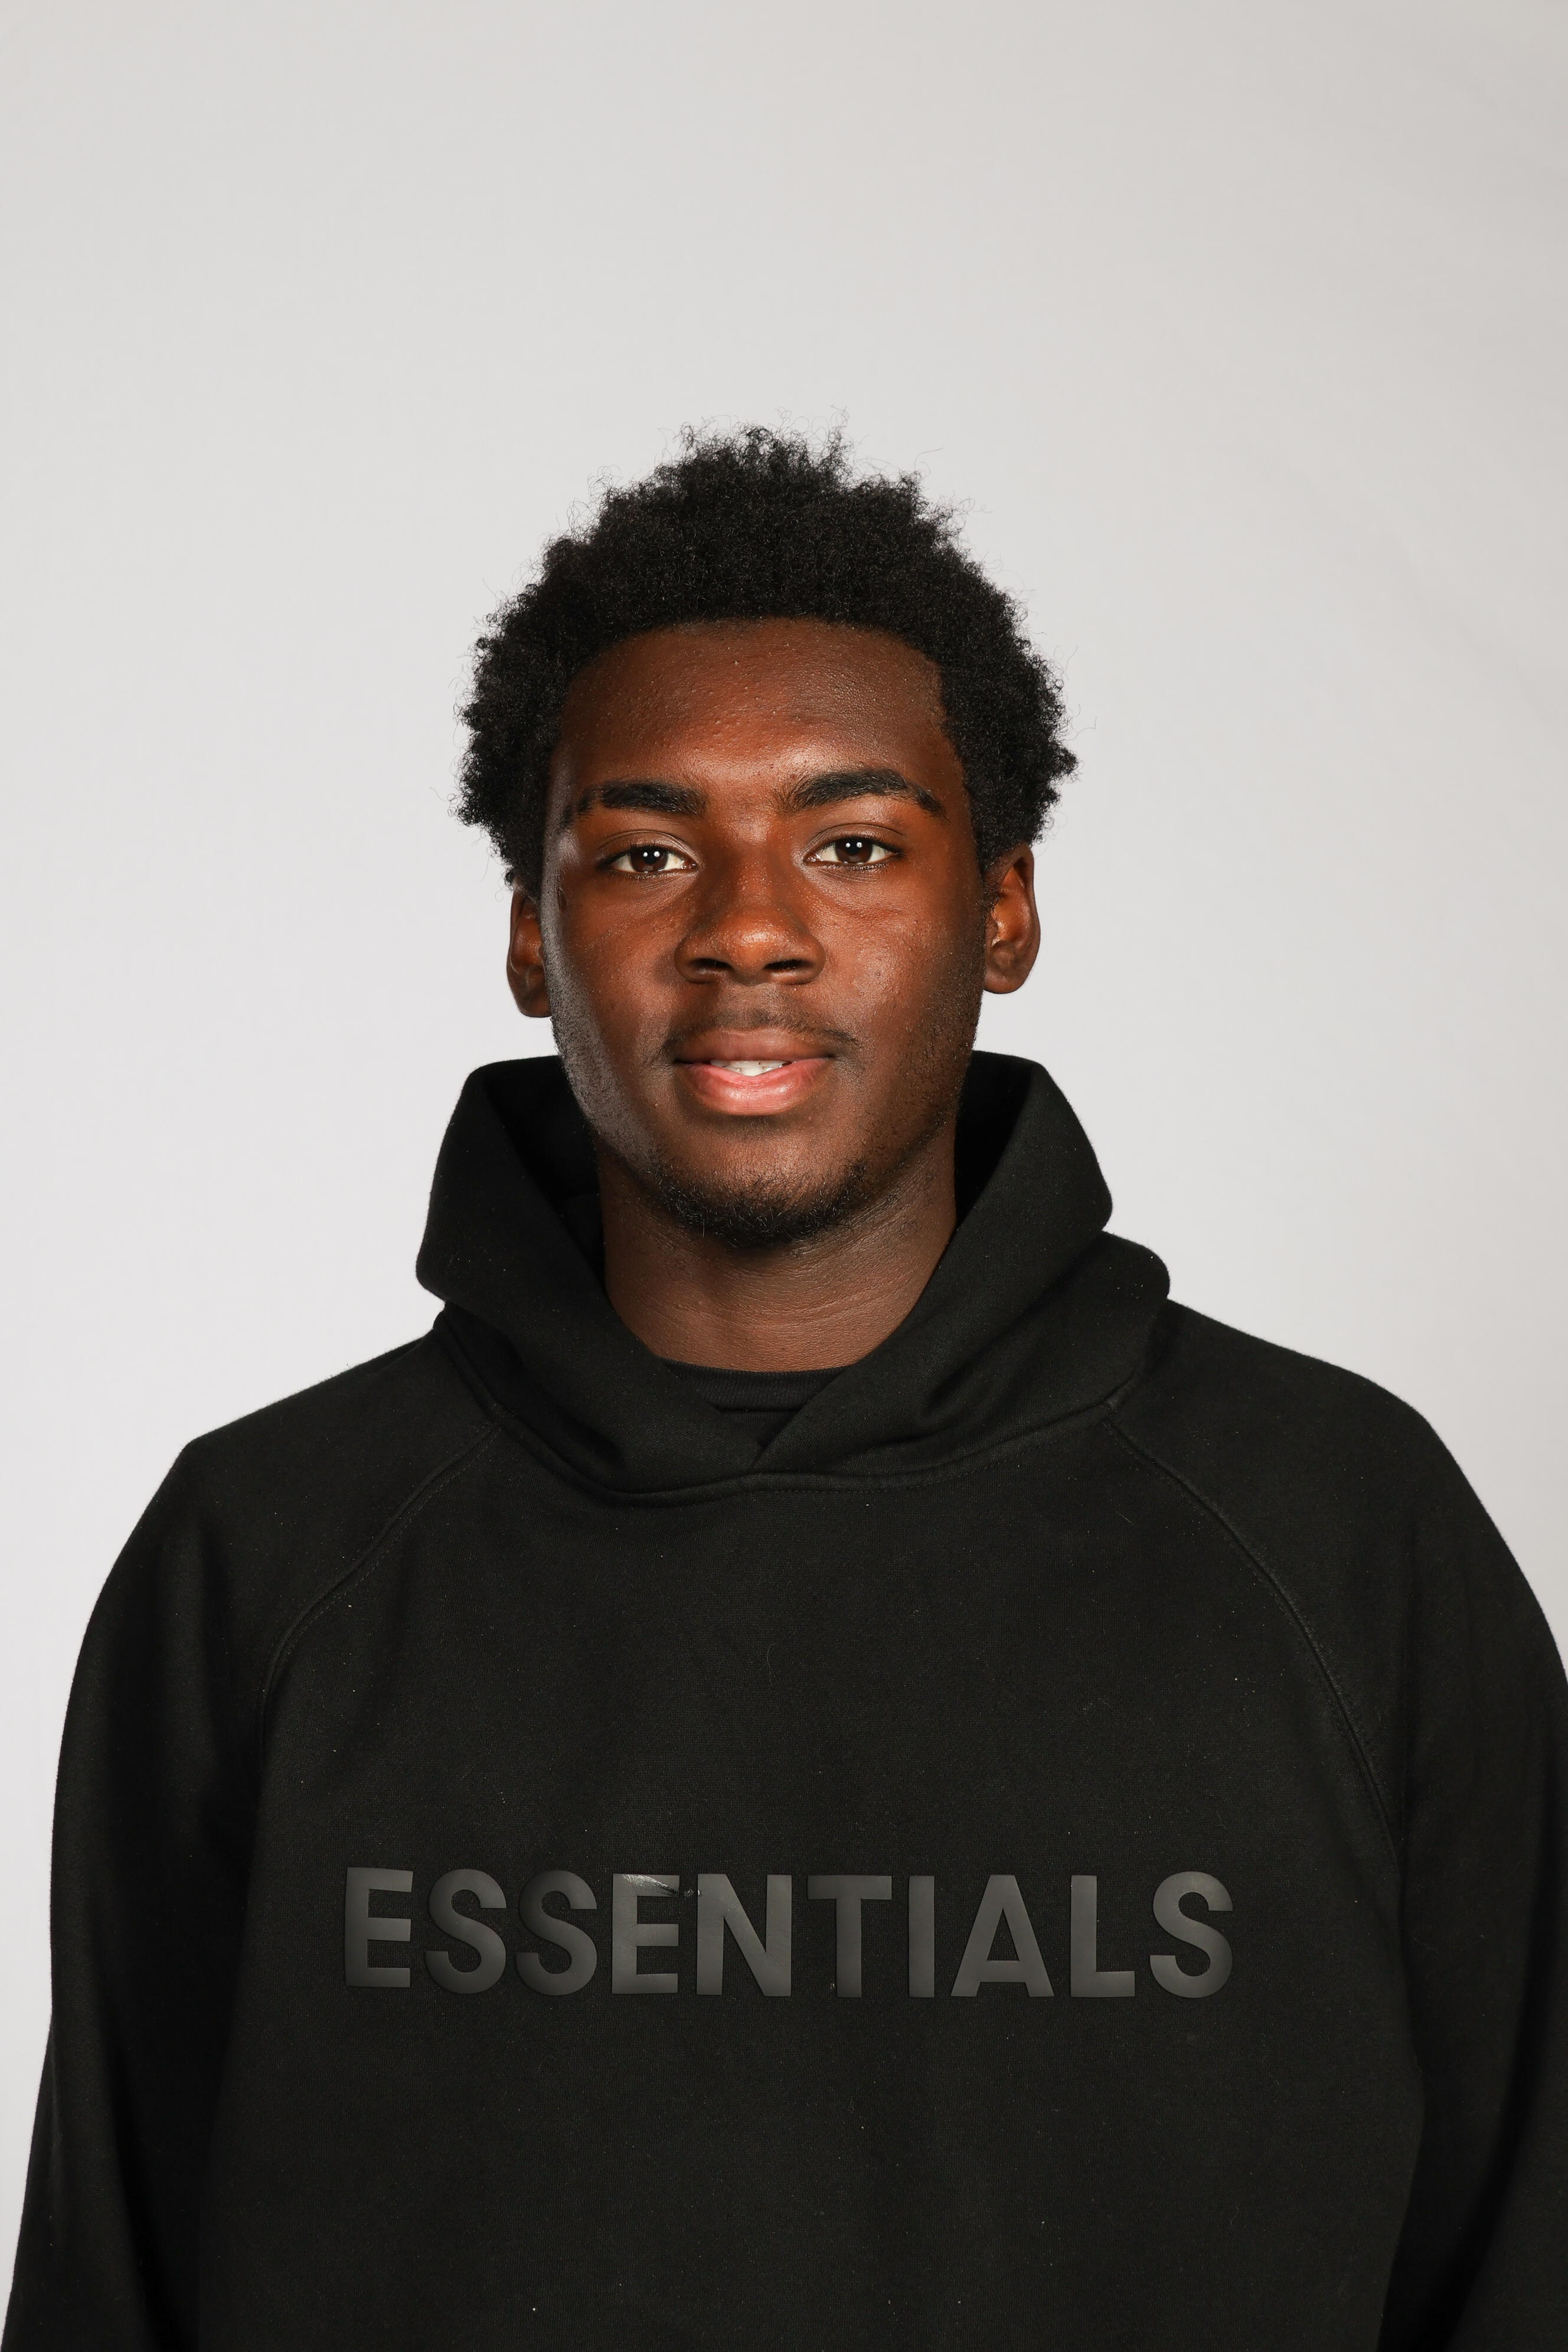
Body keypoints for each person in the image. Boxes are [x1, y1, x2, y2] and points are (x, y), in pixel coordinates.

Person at [6, 428, 1564, 2352]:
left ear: (1004, 908)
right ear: (531, 934)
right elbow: (107, 2289)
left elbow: (1529, 2258)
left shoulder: (1338, 1534)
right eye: (646, 853)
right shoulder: (263, 1558)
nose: (748, 926)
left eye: (853, 843)